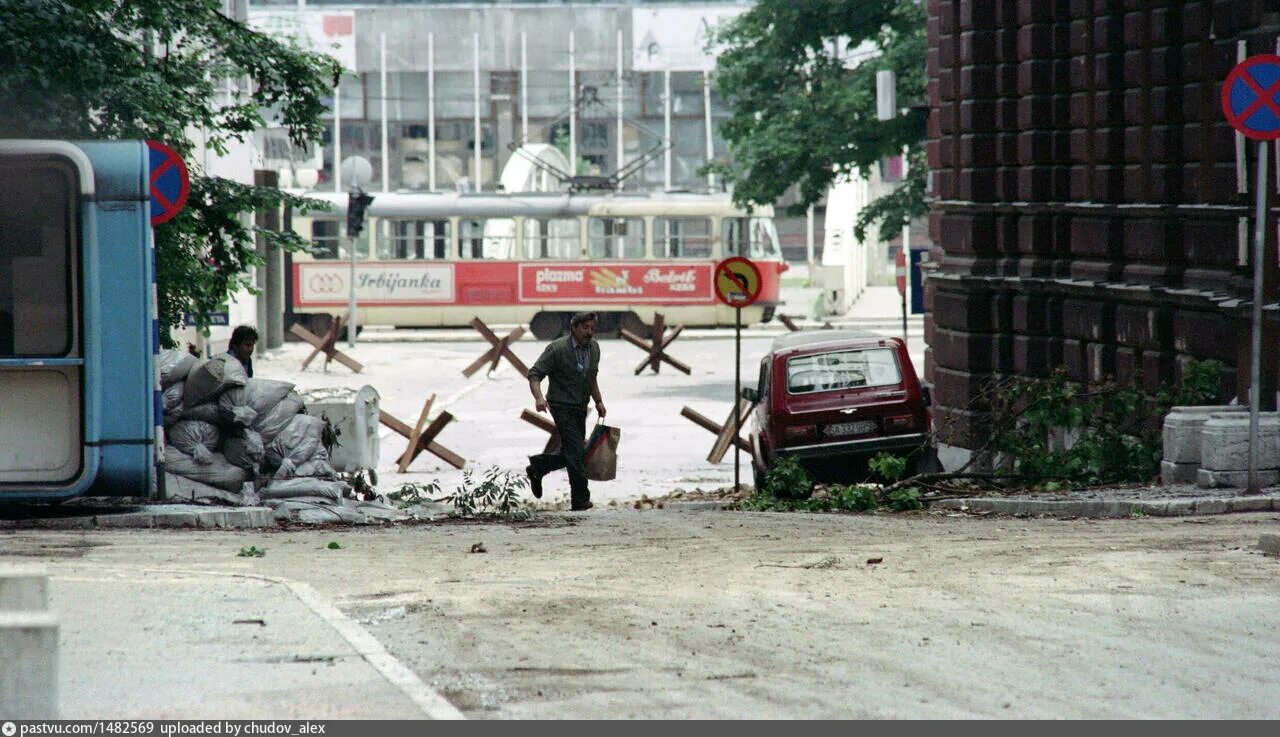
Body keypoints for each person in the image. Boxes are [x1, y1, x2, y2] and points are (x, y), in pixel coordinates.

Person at [526, 312, 606, 511]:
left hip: (580, 405)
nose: (589, 332)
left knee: (572, 451)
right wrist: (539, 398)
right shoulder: (557, 349)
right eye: (585, 328)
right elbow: (535, 374)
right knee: (575, 452)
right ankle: (580, 500)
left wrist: (598, 401)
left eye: (592, 328)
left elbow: (591, 378)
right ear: (574, 328)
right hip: (561, 406)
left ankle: (538, 467)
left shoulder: (594, 348)